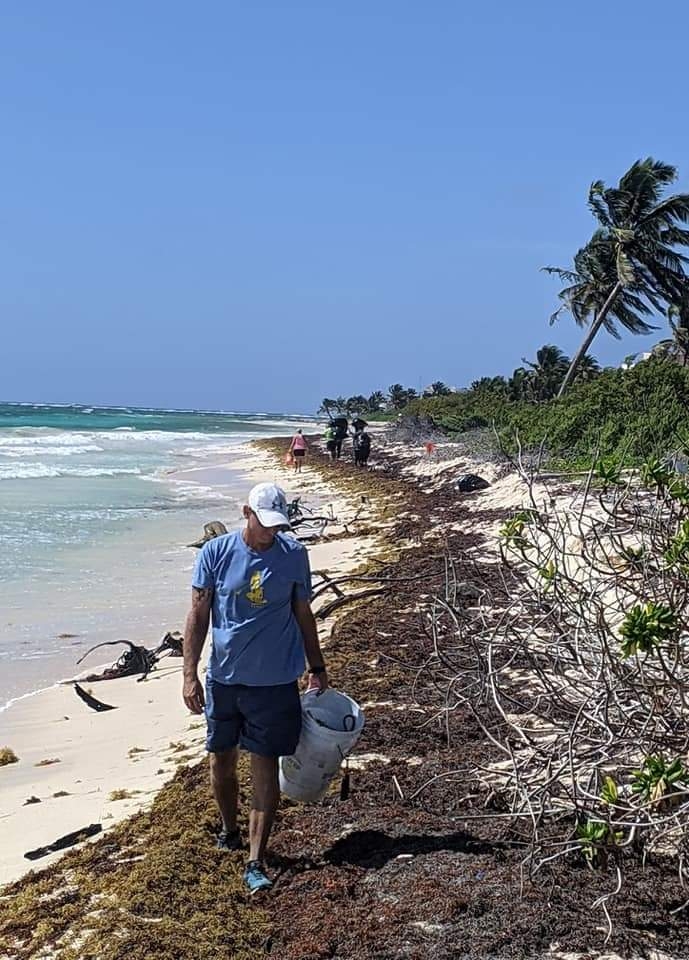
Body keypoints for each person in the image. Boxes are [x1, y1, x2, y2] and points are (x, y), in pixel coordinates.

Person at [182, 482, 328, 895]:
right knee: (220, 762)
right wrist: (189, 673)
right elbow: (197, 615)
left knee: (264, 767)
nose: (272, 533)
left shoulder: (294, 554)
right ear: (246, 512)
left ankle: (255, 859)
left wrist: (317, 667)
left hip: (276, 681)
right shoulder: (215, 553)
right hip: (225, 679)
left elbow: (304, 613)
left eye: (278, 526)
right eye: (265, 525)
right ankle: (230, 830)